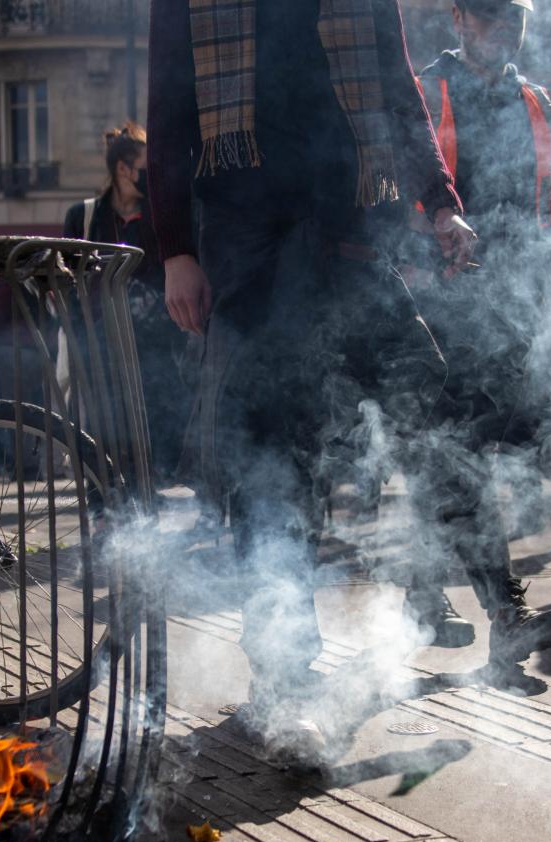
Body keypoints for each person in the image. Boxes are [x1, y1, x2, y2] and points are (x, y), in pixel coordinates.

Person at [147, 0, 475, 750]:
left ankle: (439, 592)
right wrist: (175, 250)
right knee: (271, 458)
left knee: (426, 390)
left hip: (352, 228)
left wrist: (439, 205)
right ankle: (283, 671)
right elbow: (169, 111)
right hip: (250, 243)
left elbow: (397, 88)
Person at [403, 0, 551, 662]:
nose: (503, 31)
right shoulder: (424, 91)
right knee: (456, 452)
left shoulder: (534, 101)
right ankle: (504, 613)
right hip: (441, 307)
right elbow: (394, 192)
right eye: (490, 16)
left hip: (511, 305)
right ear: (459, 19)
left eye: (514, 19)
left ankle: (421, 592)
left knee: (451, 452)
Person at [63, 124, 189, 484]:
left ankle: (144, 503)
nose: (155, 174)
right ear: (123, 168)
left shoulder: (161, 217)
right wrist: (79, 336)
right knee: (102, 432)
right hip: (100, 348)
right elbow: (67, 280)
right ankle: (103, 502)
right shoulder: (85, 217)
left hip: (155, 351)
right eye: (147, 167)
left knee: (152, 436)